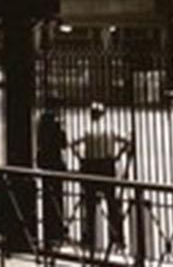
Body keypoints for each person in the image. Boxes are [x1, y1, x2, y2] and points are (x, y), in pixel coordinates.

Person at [71, 100, 133, 252]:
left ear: (91, 114)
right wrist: (118, 155)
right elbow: (127, 141)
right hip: (107, 165)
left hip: (91, 166)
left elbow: (72, 143)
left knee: (90, 204)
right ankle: (118, 238)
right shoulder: (110, 129)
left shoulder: (87, 129)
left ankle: (89, 239)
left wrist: (80, 157)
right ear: (103, 114)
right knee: (112, 203)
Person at [35, 106, 70, 246]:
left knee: (46, 198)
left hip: (45, 165)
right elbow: (64, 144)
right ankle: (57, 232)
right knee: (58, 198)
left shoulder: (41, 125)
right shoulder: (56, 125)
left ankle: (48, 232)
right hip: (55, 165)